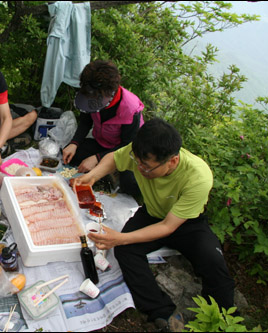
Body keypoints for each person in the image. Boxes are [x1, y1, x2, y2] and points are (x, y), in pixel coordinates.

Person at [72, 118, 236, 332]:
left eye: (146, 167)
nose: (139, 169)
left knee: (213, 261)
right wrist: (92, 177)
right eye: (137, 162)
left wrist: (120, 238)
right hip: (151, 213)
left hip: (188, 223)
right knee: (126, 252)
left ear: (173, 161)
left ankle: (223, 320)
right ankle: (162, 312)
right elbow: (114, 159)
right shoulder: (142, 152)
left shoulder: (198, 176)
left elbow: (168, 227)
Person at [63, 60, 144, 197]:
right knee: (71, 154)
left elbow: (127, 145)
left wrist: (97, 158)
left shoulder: (130, 108)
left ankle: (111, 172)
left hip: (124, 151)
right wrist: (74, 143)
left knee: (131, 184)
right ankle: (104, 171)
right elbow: (85, 121)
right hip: (102, 143)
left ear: (110, 93)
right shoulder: (89, 97)